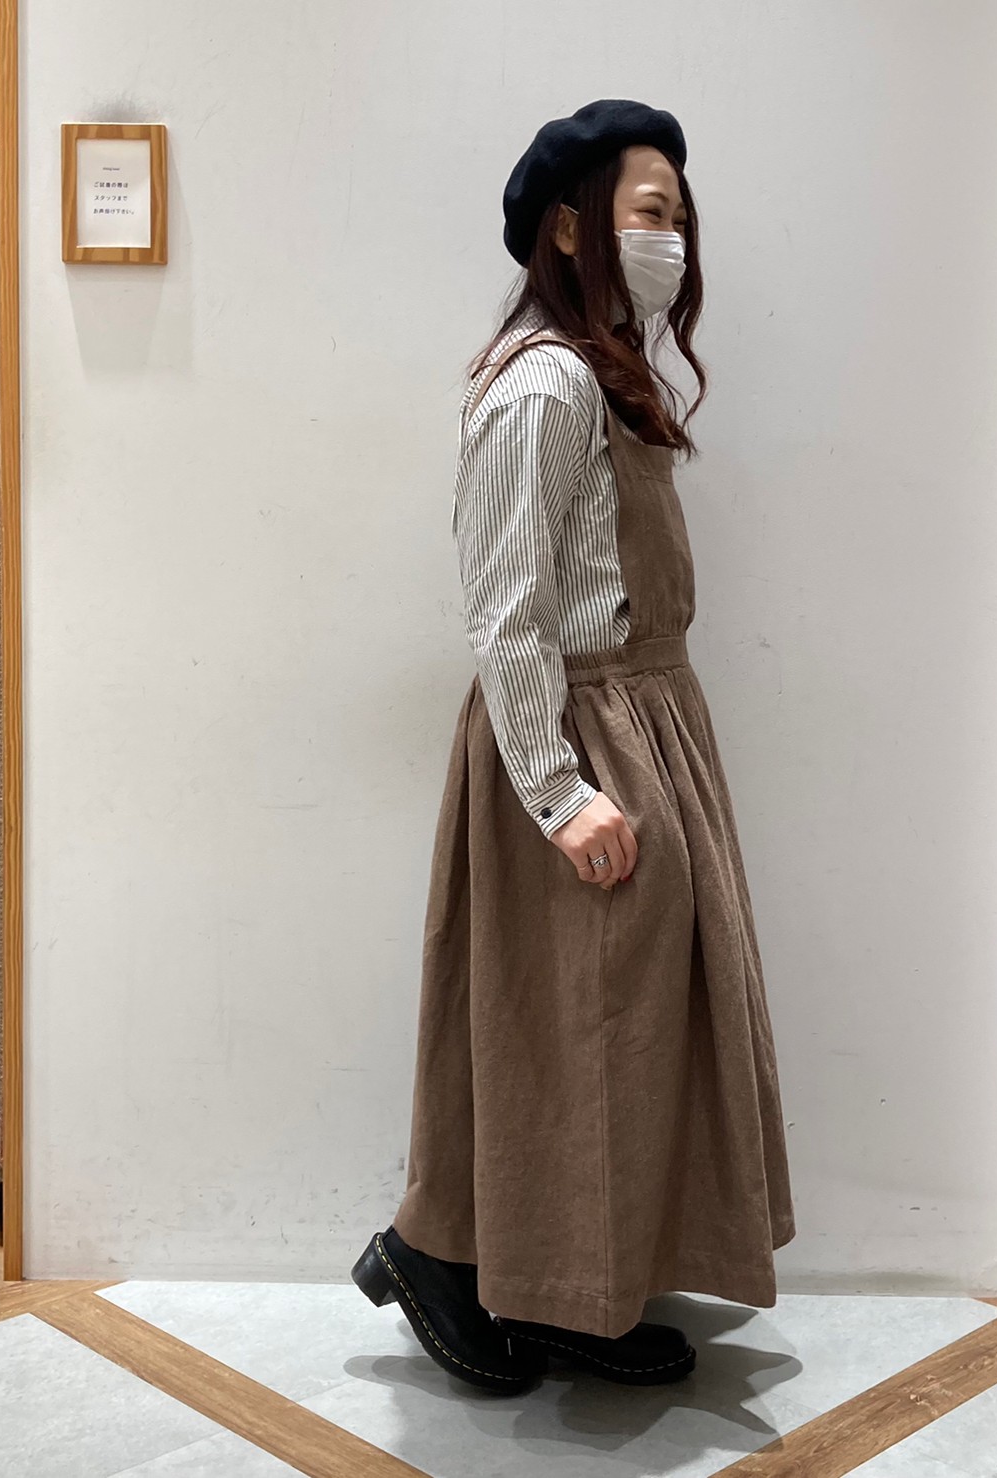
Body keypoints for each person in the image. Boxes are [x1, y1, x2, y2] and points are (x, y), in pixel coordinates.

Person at [351, 98, 796, 1395]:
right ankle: (438, 1254)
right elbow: (505, 608)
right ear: (568, 226)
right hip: (578, 734)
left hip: (644, 721)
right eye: (650, 211)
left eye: (679, 216)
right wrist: (557, 792)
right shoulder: (542, 384)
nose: (672, 238)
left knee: (611, 1025)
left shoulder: (603, 375)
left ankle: (571, 1291)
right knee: (576, 1023)